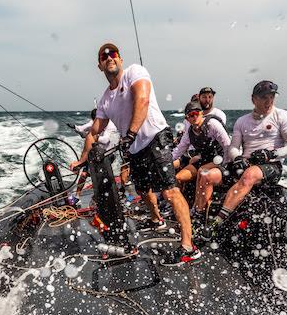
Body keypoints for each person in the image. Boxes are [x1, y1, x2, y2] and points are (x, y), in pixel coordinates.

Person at [70, 42, 201, 265]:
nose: (109, 57)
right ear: (100, 65)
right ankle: (157, 220)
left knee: (169, 191)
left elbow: (142, 99)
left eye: (113, 54)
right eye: (104, 56)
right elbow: (94, 132)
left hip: (155, 138)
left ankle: (189, 247)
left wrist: (129, 134)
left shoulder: (134, 72)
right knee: (143, 190)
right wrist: (84, 160)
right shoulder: (105, 100)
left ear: (120, 59)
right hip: (135, 149)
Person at [193, 80, 287, 238]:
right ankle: (198, 216)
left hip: (270, 166)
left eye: (272, 96)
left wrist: (271, 154)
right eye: (264, 97)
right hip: (244, 163)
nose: (269, 101)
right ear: (253, 99)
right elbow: (232, 147)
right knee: (206, 176)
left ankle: (216, 223)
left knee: (249, 175)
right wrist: (237, 157)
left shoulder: (283, 116)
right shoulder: (242, 121)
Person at [172, 101, 230, 193]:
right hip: (204, 160)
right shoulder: (189, 133)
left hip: (220, 159)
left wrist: (226, 163)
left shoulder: (212, 124)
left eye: (196, 113)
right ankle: (180, 203)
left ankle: (197, 205)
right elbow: (178, 150)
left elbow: (227, 145)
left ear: (202, 113)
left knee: (202, 171)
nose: (194, 117)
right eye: (191, 115)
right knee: (178, 178)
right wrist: (165, 162)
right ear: (187, 119)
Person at [66, 108, 120, 206]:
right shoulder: (95, 122)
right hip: (95, 153)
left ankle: (99, 196)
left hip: (108, 154)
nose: (94, 123)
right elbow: (81, 129)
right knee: (84, 175)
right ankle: (77, 197)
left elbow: (105, 140)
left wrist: (91, 136)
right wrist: (75, 128)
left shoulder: (110, 125)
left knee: (100, 176)